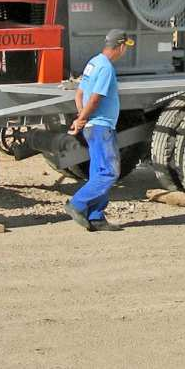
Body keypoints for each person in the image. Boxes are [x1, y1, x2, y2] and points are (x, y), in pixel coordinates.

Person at [64, 29, 135, 232]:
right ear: (120, 46)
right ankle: (77, 204)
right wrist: (82, 118)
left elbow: (79, 94)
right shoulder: (106, 68)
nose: (124, 52)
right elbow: (95, 98)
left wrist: (81, 117)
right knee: (109, 173)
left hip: (93, 127)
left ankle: (96, 217)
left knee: (98, 173)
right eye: (125, 48)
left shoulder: (93, 63)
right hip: (102, 126)